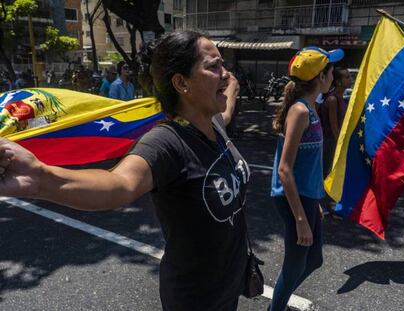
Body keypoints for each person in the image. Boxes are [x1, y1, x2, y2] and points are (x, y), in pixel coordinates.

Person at [0, 31, 249, 311]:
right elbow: (119, 184)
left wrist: (230, 87)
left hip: (229, 285)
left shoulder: (213, 123)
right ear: (181, 83)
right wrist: (40, 178)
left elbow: (226, 110)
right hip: (196, 299)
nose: (225, 73)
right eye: (214, 66)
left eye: (223, 64)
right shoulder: (167, 141)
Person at [269, 47, 344, 311]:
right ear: (320, 78)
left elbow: (306, 165)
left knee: (314, 260)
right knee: (295, 265)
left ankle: (280, 299)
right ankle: (275, 308)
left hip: (308, 196)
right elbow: (284, 170)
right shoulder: (300, 111)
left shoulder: (310, 106)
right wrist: (301, 219)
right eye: (331, 71)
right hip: (294, 199)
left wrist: (316, 203)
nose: (334, 76)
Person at [319, 67, 352, 178]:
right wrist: (341, 146)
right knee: (326, 173)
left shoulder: (340, 98)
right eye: (347, 77)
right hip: (329, 141)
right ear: (338, 82)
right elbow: (334, 127)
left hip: (334, 140)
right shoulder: (332, 100)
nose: (350, 79)